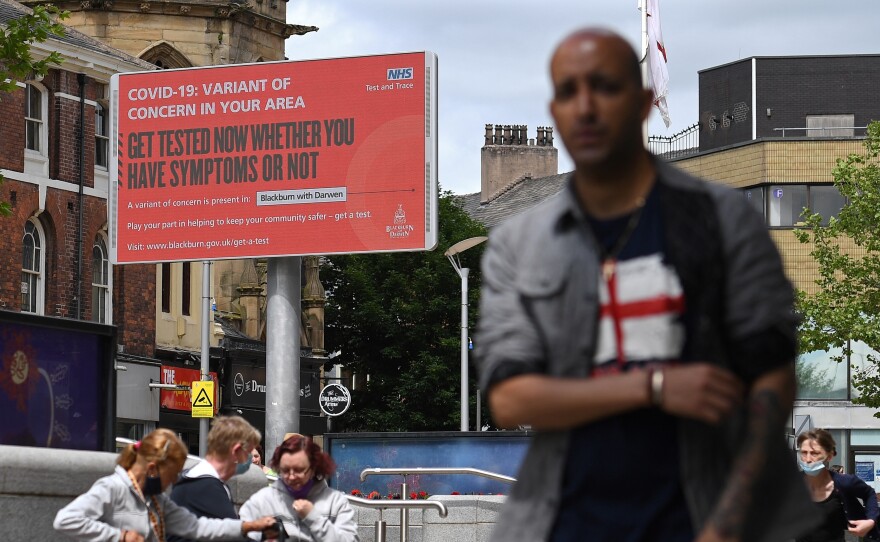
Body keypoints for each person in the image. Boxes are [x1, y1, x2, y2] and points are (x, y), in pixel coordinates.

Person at [476, 27, 817, 542]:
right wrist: (653, 387)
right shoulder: (518, 243)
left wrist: (726, 527)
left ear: (641, 102)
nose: (585, 107)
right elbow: (509, 399)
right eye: (568, 92)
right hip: (560, 523)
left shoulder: (723, 220)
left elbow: (772, 375)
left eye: (605, 86)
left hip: (695, 515)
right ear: (554, 111)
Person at [54, 428, 277, 542]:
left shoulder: (157, 501)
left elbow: (198, 527)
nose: (174, 481)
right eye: (171, 475)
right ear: (153, 469)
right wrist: (119, 536)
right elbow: (65, 519)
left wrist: (247, 526)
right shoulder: (112, 488)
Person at [239, 435, 358, 541]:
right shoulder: (262, 500)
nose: (291, 477)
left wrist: (313, 518)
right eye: (285, 470)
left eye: (299, 470)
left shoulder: (335, 502)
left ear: (313, 468)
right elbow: (240, 531)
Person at [168, 416, 263, 542]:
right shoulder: (206, 487)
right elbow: (233, 537)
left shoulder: (198, 479)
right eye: (248, 453)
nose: (250, 460)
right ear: (236, 451)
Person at [796, 429, 879, 542]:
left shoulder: (844, 483)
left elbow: (869, 493)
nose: (808, 459)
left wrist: (870, 520)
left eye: (814, 453)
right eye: (804, 453)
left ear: (829, 456)